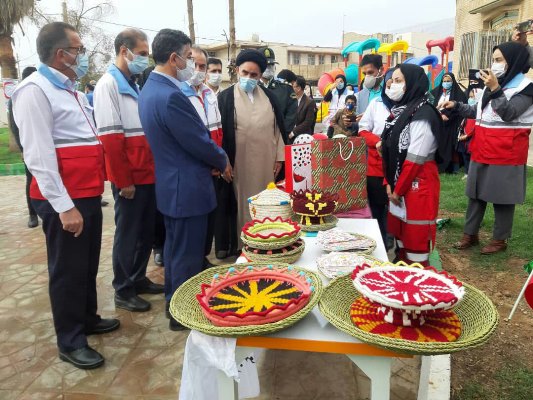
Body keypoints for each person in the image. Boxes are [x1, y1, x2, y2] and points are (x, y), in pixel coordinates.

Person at [11, 22, 119, 369]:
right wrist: (63, 207)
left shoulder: (68, 88)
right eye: (79, 49)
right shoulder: (34, 90)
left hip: (86, 192)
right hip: (65, 200)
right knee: (68, 270)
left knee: (85, 265)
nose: (82, 55)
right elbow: (38, 156)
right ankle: (70, 341)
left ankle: (87, 318)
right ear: (62, 54)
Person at [138, 29, 231, 330]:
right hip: (187, 187)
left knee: (177, 252)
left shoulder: (150, 89)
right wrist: (222, 159)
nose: (192, 64)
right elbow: (198, 141)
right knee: (187, 255)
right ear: (173, 58)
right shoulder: (171, 96)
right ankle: (183, 312)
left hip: (172, 185)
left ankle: (173, 305)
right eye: (189, 57)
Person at [94, 28, 164, 313]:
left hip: (146, 173)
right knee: (128, 234)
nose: (146, 59)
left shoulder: (131, 83)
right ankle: (123, 288)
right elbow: (111, 140)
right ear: (125, 51)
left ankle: (138, 278)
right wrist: (124, 181)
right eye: (143, 53)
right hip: (130, 179)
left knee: (145, 232)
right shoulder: (107, 84)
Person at [442, 42, 533, 255]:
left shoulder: (526, 88)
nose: (494, 64)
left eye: (499, 60)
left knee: (503, 197)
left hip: (506, 151)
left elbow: (509, 113)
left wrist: (494, 88)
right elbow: (479, 111)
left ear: (514, 61)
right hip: (482, 147)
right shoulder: (492, 85)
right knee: (475, 194)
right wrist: (456, 106)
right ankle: (469, 234)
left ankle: (500, 240)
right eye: (493, 59)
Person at [218, 49, 286, 248]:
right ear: (237, 71)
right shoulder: (225, 98)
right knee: (241, 202)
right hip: (238, 163)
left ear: (260, 76)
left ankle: (266, 241)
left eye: (254, 75)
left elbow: (279, 130)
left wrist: (280, 157)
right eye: (245, 73)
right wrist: (223, 161)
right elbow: (218, 133)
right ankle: (242, 244)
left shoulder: (270, 97)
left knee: (265, 202)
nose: (248, 78)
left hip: (267, 163)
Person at [381, 64, 444, 266]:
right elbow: (390, 151)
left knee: (415, 245)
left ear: (413, 84)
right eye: (392, 81)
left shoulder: (423, 115)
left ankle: (416, 282)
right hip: (399, 186)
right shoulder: (400, 113)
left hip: (417, 185)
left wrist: (397, 190)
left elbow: (415, 160)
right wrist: (389, 183)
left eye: (399, 81)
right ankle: (401, 276)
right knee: (401, 239)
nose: (392, 86)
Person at [177, 45, 225, 267]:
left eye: (202, 66)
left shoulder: (209, 94)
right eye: (193, 64)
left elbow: (218, 130)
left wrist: (219, 159)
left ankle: (203, 258)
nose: (198, 69)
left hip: (213, 166)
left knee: (209, 219)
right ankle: (193, 263)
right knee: (193, 225)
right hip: (195, 169)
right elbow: (189, 140)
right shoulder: (178, 95)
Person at [358, 68, 396, 247]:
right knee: (377, 204)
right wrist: (377, 141)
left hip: (396, 164)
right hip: (375, 163)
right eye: (389, 85)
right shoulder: (376, 103)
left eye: (396, 84)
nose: (392, 89)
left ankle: (391, 236)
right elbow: (363, 129)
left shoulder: (409, 106)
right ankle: (379, 237)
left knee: (394, 204)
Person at [7, 66, 38, 228]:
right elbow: (14, 126)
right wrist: (24, 148)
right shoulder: (17, 97)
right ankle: (32, 214)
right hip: (28, 146)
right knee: (31, 179)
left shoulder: (39, 94)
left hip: (43, 145)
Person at [430, 72, 467, 173]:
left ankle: (449, 167)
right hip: (437, 122)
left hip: (452, 123)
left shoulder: (459, 94)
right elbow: (431, 105)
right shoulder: (435, 92)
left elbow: (460, 108)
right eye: (444, 81)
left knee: (448, 144)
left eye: (448, 81)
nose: (446, 83)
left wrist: (448, 115)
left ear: (453, 82)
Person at [258, 47, 298, 138]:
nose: (269, 68)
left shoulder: (286, 89)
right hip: (256, 138)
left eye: (272, 65)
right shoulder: (252, 88)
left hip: (279, 138)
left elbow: (291, 114)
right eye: (266, 65)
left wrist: (282, 133)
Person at [290, 75, 316, 141]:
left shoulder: (309, 102)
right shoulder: (290, 99)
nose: (291, 87)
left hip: (303, 137)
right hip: (289, 135)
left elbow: (307, 122)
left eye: (292, 85)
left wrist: (293, 132)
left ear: (299, 88)